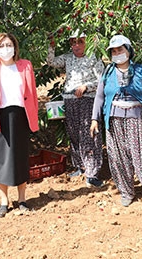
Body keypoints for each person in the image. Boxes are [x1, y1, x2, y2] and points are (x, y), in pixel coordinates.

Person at [90, 35, 142, 212]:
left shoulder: (141, 71)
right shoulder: (107, 73)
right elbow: (100, 97)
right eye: (114, 51)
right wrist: (94, 119)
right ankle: (126, 191)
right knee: (118, 157)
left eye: (120, 50)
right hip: (114, 120)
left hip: (137, 119)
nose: (117, 54)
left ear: (129, 51)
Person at [0, 33, 39, 217]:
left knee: (21, 159)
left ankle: (22, 199)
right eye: (2, 45)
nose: (6, 48)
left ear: (15, 46)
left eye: (9, 44)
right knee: (0, 160)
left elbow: (34, 94)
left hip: (20, 116)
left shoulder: (25, 65)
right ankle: (4, 200)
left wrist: (34, 118)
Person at [47, 31, 105, 187]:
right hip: (70, 100)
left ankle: (92, 173)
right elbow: (51, 62)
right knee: (74, 133)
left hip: (87, 100)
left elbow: (101, 81)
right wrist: (51, 45)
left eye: (80, 42)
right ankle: (80, 166)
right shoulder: (68, 58)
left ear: (87, 42)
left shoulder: (94, 58)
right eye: (73, 42)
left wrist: (86, 87)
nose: (76, 45)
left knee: (89, 134)